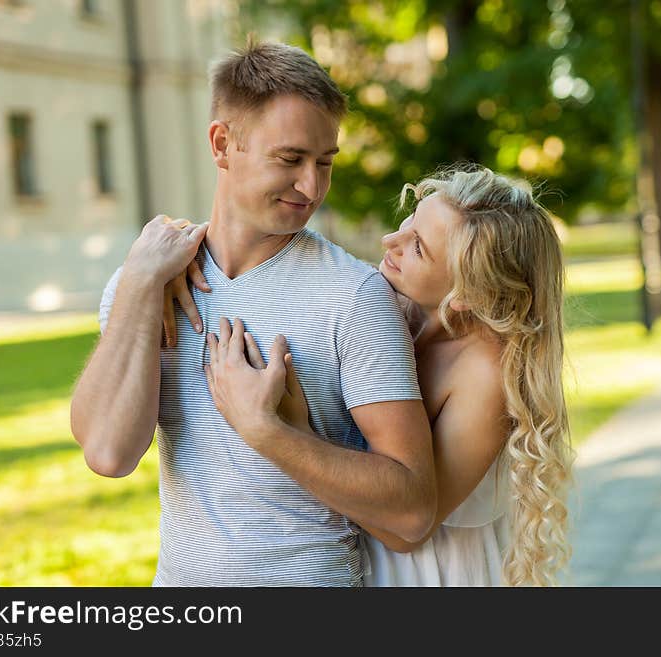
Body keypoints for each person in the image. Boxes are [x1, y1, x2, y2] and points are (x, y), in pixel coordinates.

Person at [69, 41, 437, 587]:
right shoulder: (146, 283)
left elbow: (413, 510)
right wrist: (141, 284)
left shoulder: (353, 295)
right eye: (290, 159)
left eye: (325, 163)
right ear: (223, 144)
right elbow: (107, 452)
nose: (311, 186)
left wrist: (269, 431)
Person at [180, 164, 575, 586]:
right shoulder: (387, 306)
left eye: (418, 248)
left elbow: (404, 527)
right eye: (409, 222)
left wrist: (289, 430)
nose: (391, 241)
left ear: (468, 294)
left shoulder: (485, 374)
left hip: (432, 574)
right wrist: (184, 261)